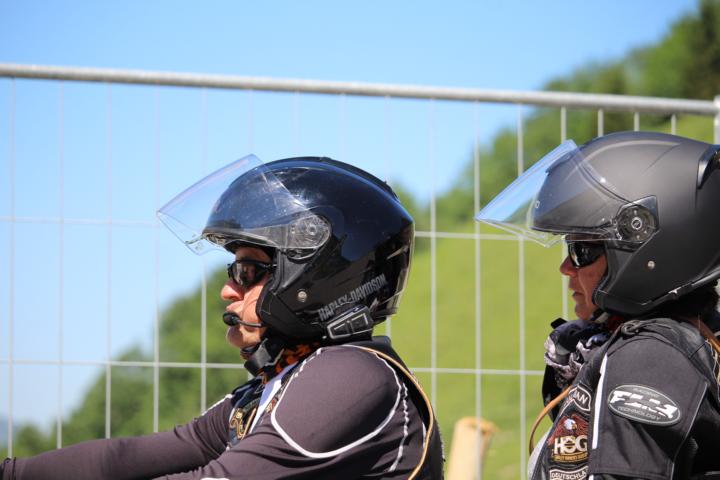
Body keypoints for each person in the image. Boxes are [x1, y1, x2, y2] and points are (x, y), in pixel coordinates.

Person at [1, 155, 444, 479]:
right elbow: (125, 459)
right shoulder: (274, 386)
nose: (228, 289)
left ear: (315, 277)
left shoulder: (351, 377)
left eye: (248, 272)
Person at [476, 131, 720, 479]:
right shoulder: (693, 338)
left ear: (646, 250)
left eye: (581, 251)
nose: (566, 268)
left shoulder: (649, 359)